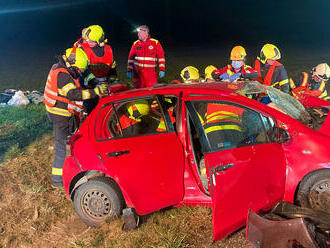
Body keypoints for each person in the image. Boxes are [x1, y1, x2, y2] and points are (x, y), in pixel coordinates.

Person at [43, 47, 108, 187]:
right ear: (71, 62)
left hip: (59, 111)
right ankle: (58, 181)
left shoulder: (62, 67)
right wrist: (95, 92)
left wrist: (94, 84)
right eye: (77, 69)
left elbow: (83, 76)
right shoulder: (63, 76)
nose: (78, 72)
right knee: (62, 147)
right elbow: (73, 94)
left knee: (67, 143)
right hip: (61, 115)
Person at [76, 25, 117, 113]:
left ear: (100, 40)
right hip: (89, 88)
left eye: (91, 41)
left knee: (106, 111)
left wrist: (113, 79)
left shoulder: (108, 49)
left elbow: (112, 66)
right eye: (87, 39)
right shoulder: (82, 49)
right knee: (91, 111)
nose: (88, 41)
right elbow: (81, 71)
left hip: (106, 87)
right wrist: (94, 84)